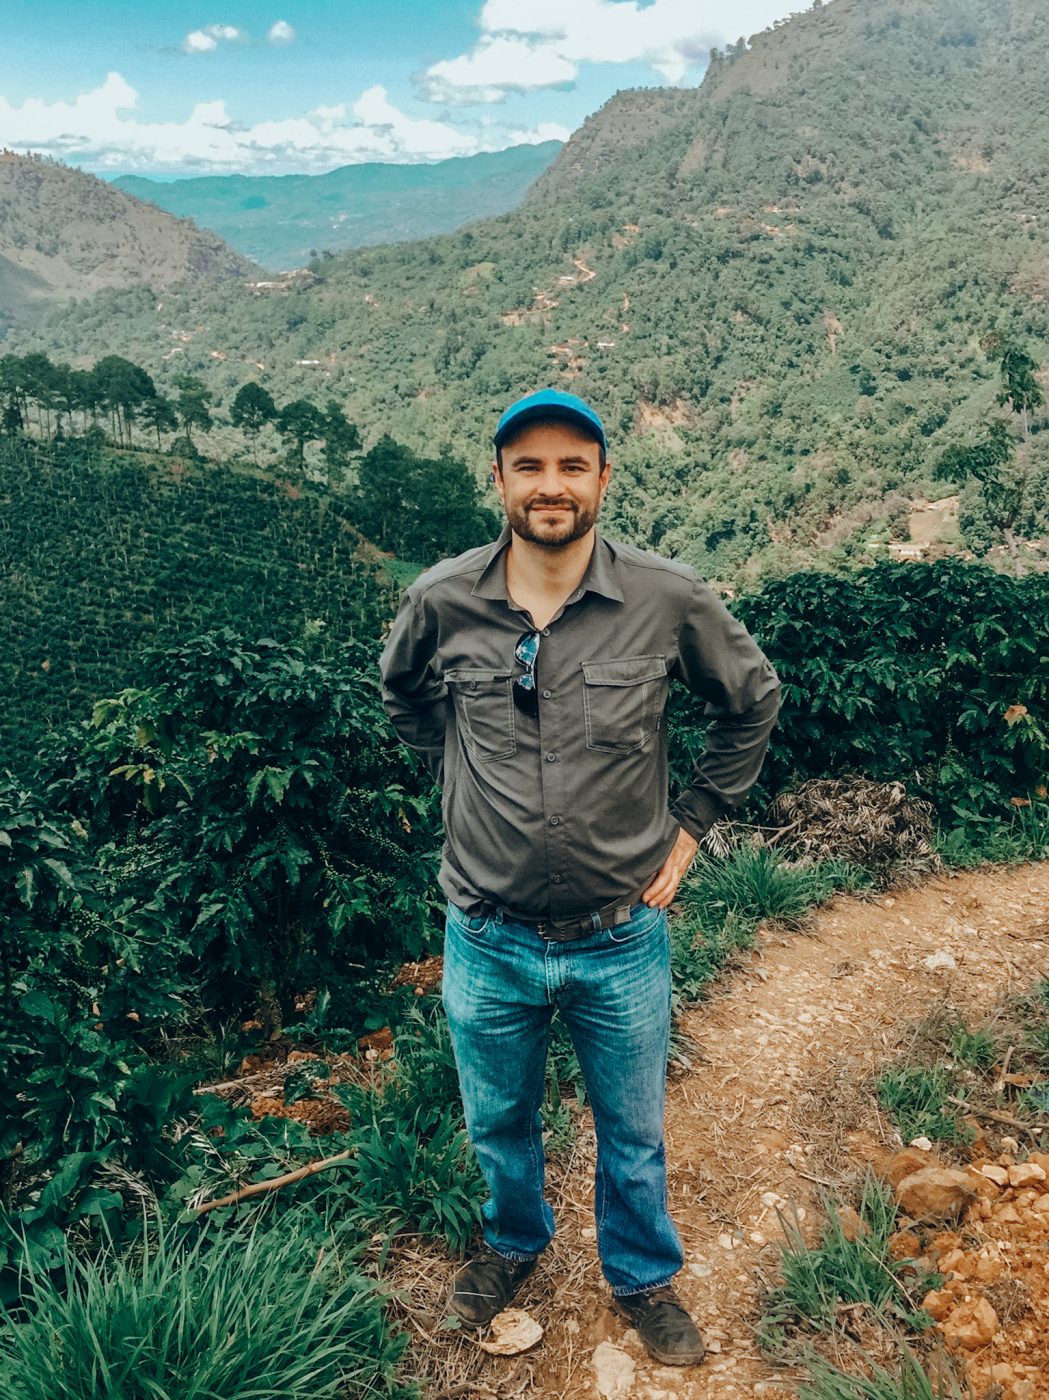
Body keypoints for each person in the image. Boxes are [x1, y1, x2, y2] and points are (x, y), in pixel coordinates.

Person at [379, 388, 781, 1367]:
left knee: (631, 1126)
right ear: (499, 481)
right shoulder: (442, 599)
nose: (549, 484)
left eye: (570, 464)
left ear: (602, 478)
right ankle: (513, 1241)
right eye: (529, 464)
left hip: (617, 935)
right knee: (498, 1115)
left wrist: (688, 832)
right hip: (485, 932)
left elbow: (752, 699)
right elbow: (401, 692)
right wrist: (455, 777)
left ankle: (641, 1274)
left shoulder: (664, 596)